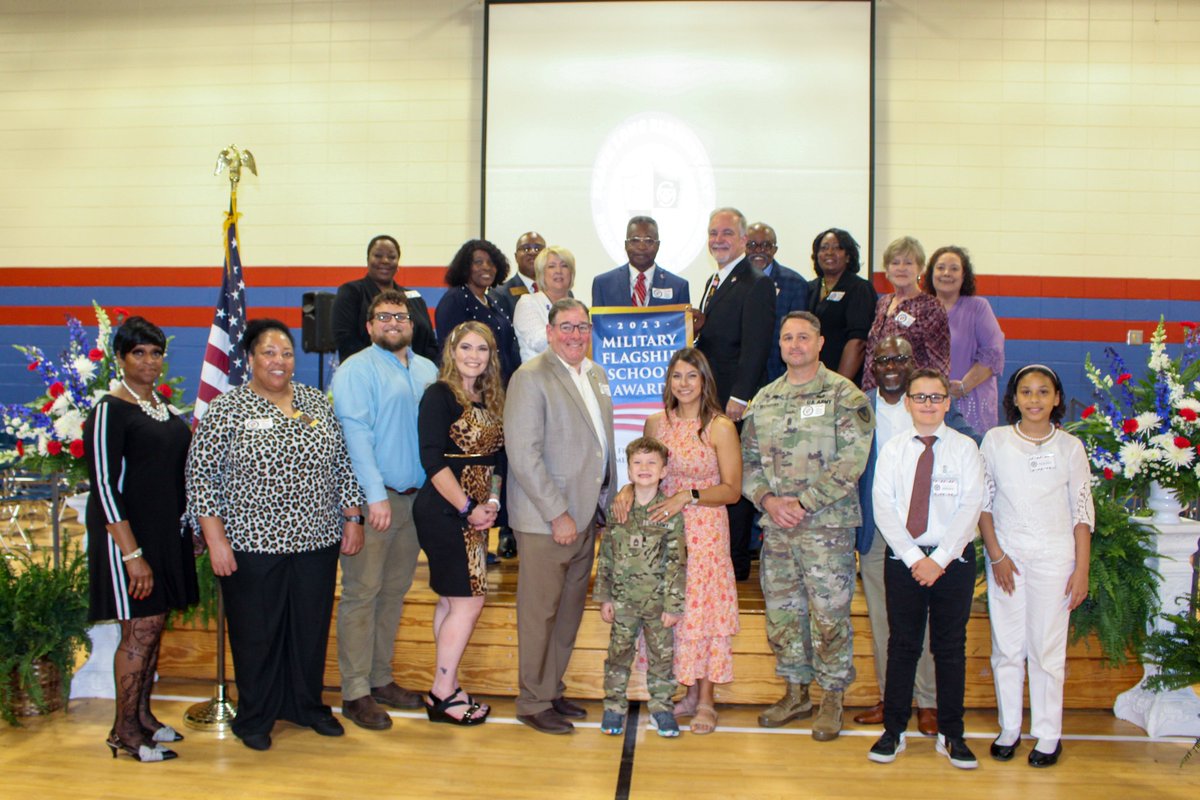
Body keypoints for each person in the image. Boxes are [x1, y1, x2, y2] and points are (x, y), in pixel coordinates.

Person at [186, 319, 365, 752]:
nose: (279, 361)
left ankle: (305, 706)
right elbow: (201, 477)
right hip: (252, 544)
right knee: (257, 634)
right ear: (250, 359)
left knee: (309, 630)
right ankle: (256, 716)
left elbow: (342, 461)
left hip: (316, 540)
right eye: (268, 352)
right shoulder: (227, 408)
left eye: (286, 353)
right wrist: (216, 540)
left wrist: (352, 516)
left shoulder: (314, 401)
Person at [741, 311, 874, 742]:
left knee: (830, 616)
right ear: (780, 346)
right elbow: (747, 462)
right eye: (787, 338)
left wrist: (803, 503)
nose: (795, 345)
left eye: (803, 337)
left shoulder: (844, 395)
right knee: (783, 615)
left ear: (820, 343)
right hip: (778, 529)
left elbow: (852, 461)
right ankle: (796, 693)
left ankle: (832, 697)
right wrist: (768, 500)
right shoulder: (764, 399)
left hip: (826, 528)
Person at [611, 348, 743, 735]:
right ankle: (685, 692)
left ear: (705, 380)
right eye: (677, 376)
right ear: (668, 381)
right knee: (673, 612)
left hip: (705, 530)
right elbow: (645, 469)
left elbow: (733, 490)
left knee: (704, 615)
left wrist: (689, 496)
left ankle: (706, 701)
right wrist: (626, 490)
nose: (684, 384)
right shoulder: (656, 423)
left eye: (691, 376)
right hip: (663, 529)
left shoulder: (720, 426)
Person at [854, 336, 981, 737]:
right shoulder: (859, 405)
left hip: (937, 538)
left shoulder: (939, 407)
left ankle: (927, 701)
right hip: (882, 531)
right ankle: (891, 698)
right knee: (886, 623)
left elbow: (973, 452)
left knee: (931, 626)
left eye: (900, 359)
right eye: (883, 359)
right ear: (872, 366)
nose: (891, 365)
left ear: (912, 364)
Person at [84, 316, 197, 762]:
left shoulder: (162, 406)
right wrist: (132, 555)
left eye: (155, 353)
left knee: (152, 628)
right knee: (138, 630)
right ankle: (125, 732)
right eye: (138, 353)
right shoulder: (109, 411)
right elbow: (104, 486)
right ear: (120, 357)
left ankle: (143, 716)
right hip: (128, 540)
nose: (149, 361)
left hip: (164, 536)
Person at [504, 298, 616, 734]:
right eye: (566, 327)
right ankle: (532, 701)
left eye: (582, 327)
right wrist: (558, 514)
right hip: (547, 520)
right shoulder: (530, 377)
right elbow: (523, 455)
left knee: (567, 613)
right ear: (549, 333)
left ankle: (551, 689)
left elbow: (601, 446)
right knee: (540, 614)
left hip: (587, 516)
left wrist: (604, 503)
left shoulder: (596, 375)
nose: (575, 335)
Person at [331, 290, 437, 731]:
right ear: (370, 325)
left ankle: (379, 678)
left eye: (401, 316)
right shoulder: (355, 370)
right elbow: (355, 437)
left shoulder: (428, 369)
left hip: (417, 499)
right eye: (384, 316)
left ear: (412, 324)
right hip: (377, 499)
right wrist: (373, 496)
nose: (393, 322)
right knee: (362, 593)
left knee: (393, 592)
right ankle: (355, 691)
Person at [979, 364, 1093, 768]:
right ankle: (1009, 728)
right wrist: (996, 555)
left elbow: (1082, 512)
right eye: (1026, 392)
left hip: (1056, 560)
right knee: (1007, 649)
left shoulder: (1070, 448)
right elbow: (983, 503)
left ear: (1057, 398)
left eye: (1043, 392)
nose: (1034, 399)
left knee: (1047, 650)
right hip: (1007, 560)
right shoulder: (995, 441)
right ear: (1014, 398)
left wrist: (1081, 570)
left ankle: (1047, 734)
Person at [414, 321, 507, 726]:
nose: (474, 356)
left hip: (476, 512)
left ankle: (447, 685)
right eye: (466, 347)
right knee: (469, 600)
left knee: (452, 600)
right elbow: (432, 461)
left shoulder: (489, 398)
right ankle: (442, 692)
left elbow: (497, 461)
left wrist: (492, 501)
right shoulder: (439, 395)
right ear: (452, 352)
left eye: (482, 349)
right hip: (445, 511)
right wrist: (468, 506)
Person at [694, 207, 776, 582]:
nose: (719, 240)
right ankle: (721, 556)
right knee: (717, 473)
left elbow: (756, 346)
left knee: (734, 478)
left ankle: (737, 562)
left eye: (727, 233)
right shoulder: (715, 280)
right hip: (713, 396)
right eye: (713, 233)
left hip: (733, 401)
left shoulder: (756, 283)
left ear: (743, 239)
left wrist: (741, 397)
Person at [594, 436, 686, 738]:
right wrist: (605, 596)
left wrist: (673, 606)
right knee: (618, 655)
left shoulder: (669, 512)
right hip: (623, 602)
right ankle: (613, 707)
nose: (644, 468)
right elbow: (606, 555)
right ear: (629, 469)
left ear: (663, 471)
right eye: (637, 462)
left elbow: (676, 562)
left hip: (658, 604)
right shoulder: (619, 509)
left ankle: (662, 708)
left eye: (651, 463)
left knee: (662, 658)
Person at [921, 245, 1005, 433]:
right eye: (940, 267)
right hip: (928, 405)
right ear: (931, 273)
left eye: (954, 268)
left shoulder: (978, 307)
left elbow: (993, 354)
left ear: (964, 275)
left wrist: (963, 387)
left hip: (970, 402)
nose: (946, 273)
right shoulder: (921, 309)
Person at [862, 236, 949, 392]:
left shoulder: (931, 307)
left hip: (911, 394)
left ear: (920, 268)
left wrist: (925, 396)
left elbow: (939, 363)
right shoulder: (883, 303)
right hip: (876, 392)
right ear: (887, 270)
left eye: (908, 263)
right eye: (895, 263)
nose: (901, 268)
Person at [332, 234, 437, 362]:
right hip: (367, 370)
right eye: (378, 256)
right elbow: (346, 340)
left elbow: (430, 344)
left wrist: (422, 368)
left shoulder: (414, 298)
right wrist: (389, 366)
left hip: (413, 371)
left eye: (392, 257)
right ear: (368, 259)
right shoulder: (351, 292)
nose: (385, 261)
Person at [435, 239, 522, 383]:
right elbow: (449, 350)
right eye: (478, 262)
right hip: (472, 386)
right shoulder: (455, 299)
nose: (486, 267)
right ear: (465, 267)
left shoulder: (490, 301)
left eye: (491, 263)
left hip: (499, 385)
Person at [806, 228, 877, 387]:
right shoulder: (809, 288)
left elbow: (858, 342)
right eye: (824, 248)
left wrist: (837, 386)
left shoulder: (859, 288)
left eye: (837, 248)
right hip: (811, 380)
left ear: (848, 256)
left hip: (844, 383)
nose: (829, 252)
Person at [746, 222, 810, 383]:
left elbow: (798, 337)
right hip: (741, 377)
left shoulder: (795, 284)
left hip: (779, 377)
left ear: (775, 250)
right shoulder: (734, 282)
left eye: (766, 245)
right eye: (752, 245)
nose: (758, 251)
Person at [591, 216, 690, 308]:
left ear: (658, 245)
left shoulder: (678, 287)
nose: (641, 247)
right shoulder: (603, 285)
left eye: (648, 241)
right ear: (626, 245)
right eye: (635, 240)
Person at [513, 245, 577, 363]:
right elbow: (538, 343)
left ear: (571, 273)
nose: (558, 271)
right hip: (539, 373)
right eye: (552, 266)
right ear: (541, 273)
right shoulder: (527, 303)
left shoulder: (578, 307)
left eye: (564, 266)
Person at [493, 231, 545, 320]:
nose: (532, 252)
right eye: (526, 249)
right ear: (516, 257)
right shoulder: (500, 294)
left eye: (537, 249)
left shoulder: (560, 291)